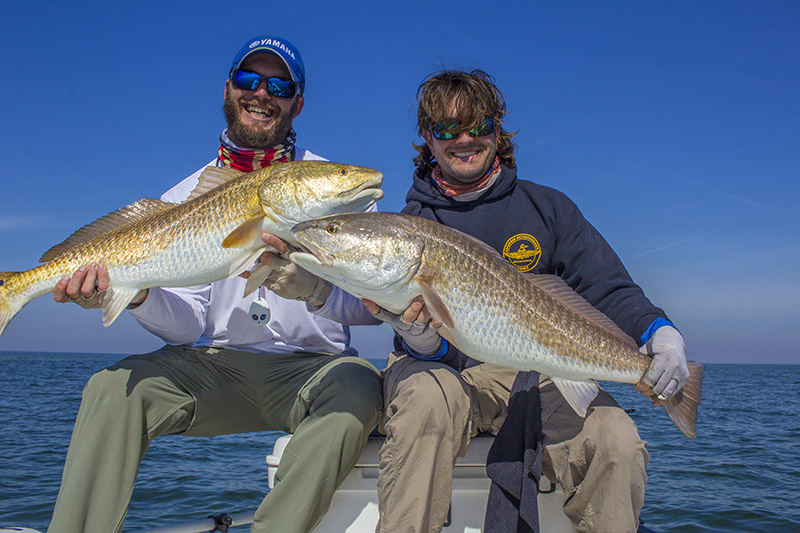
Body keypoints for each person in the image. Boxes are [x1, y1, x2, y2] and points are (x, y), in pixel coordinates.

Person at [47, 35, 382, 533]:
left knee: (360, 388)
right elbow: (185, 327)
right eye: (249, 80)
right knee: (110, 388)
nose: (261, 93)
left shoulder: (336, 190)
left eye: (279, 85)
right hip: (212, 370)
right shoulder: (185, 197)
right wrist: (136, 292)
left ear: (298, 102)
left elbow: (368, 305)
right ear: (228, 90)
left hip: (310, 372)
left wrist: (317, 289)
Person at [367, 69, 690, 533]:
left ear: (498, 130)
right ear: (427, 138)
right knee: (423, 404)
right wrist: (421, 342)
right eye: (446, 129)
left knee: (617, 443)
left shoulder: (548, 207)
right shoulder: (408, 227)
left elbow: (606, 285)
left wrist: (659, 331)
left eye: (478, 126)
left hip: (538, 372)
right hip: (441, 370)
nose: (464, 139)